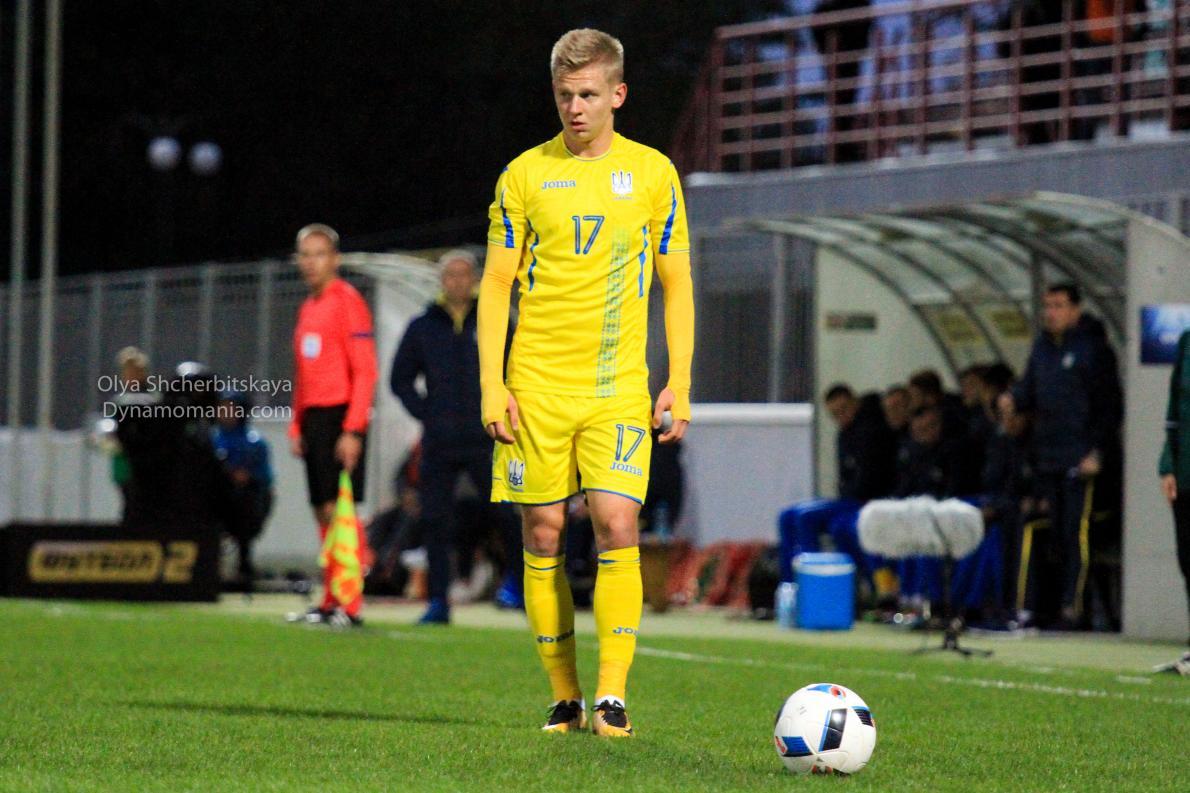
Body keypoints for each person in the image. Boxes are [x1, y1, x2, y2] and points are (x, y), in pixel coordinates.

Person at [477, 28, 694, 737]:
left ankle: (612, 696)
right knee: (543, 531)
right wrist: (491, 386)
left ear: (618, 95)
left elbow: (677, 283)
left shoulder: (654, 174)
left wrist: (680, 380)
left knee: (618, 523)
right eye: (566, 94)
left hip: (617, 387)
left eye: (590, 94)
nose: (576, 107)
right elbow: (495, 286)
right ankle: (565, 697)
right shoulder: (523, 175)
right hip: (535, 385)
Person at [391, 249, 521, 624]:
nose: (457, 282)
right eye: (450, 275)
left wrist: (507, 412)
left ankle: (522, 590)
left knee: (507, 514)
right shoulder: (423, 326)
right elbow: (399, 379)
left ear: (475, 279)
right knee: (435, 520)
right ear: (441, 281)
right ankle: (438, 601)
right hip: (440, 441)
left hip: (490, 437)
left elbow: (519, 369)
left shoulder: (497, 319)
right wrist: (428, 414)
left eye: (464, 274)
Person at [1000, 283, 1122, 629]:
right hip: (1048, 458)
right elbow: (1028, 390)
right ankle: (1042, 607)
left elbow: (1110, 407)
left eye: (1058, 305)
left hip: (1081, 459)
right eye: (1047, 306)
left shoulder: (1093, 349)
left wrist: (1097, 452)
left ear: (1075, 310)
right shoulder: (1042, 349)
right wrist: (1012, 399)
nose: (1050, 313)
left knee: (1075, 532)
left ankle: (1074, 609)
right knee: (1053, 534)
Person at [288, 223, 378, 627]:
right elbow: (303, 373)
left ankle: (350, 603)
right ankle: (329, 600)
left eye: (319, 254)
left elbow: (366, 370)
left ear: (335, 259)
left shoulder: (348, 301)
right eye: (305, 255)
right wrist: (296, 424)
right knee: (322, 512)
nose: (311, 262)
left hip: (341, 415)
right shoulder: (308, 306)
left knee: (340, 510)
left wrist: (353, 429)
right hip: (314, 418)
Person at [213, 390, 274, 590]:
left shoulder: (254, 442)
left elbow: (264, 477)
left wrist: (245, 477)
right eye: (222, 408)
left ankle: (244, 564)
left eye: (230, 409)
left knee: (245, 507)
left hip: (246, 499)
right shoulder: (212, 439)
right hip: (217, 497)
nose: (225, 413)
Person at [1158, 327, 1190, 669]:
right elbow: (1173, 413)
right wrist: (1168, 465)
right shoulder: (1186, 341)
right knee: (1188, 558)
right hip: (1186, 471)